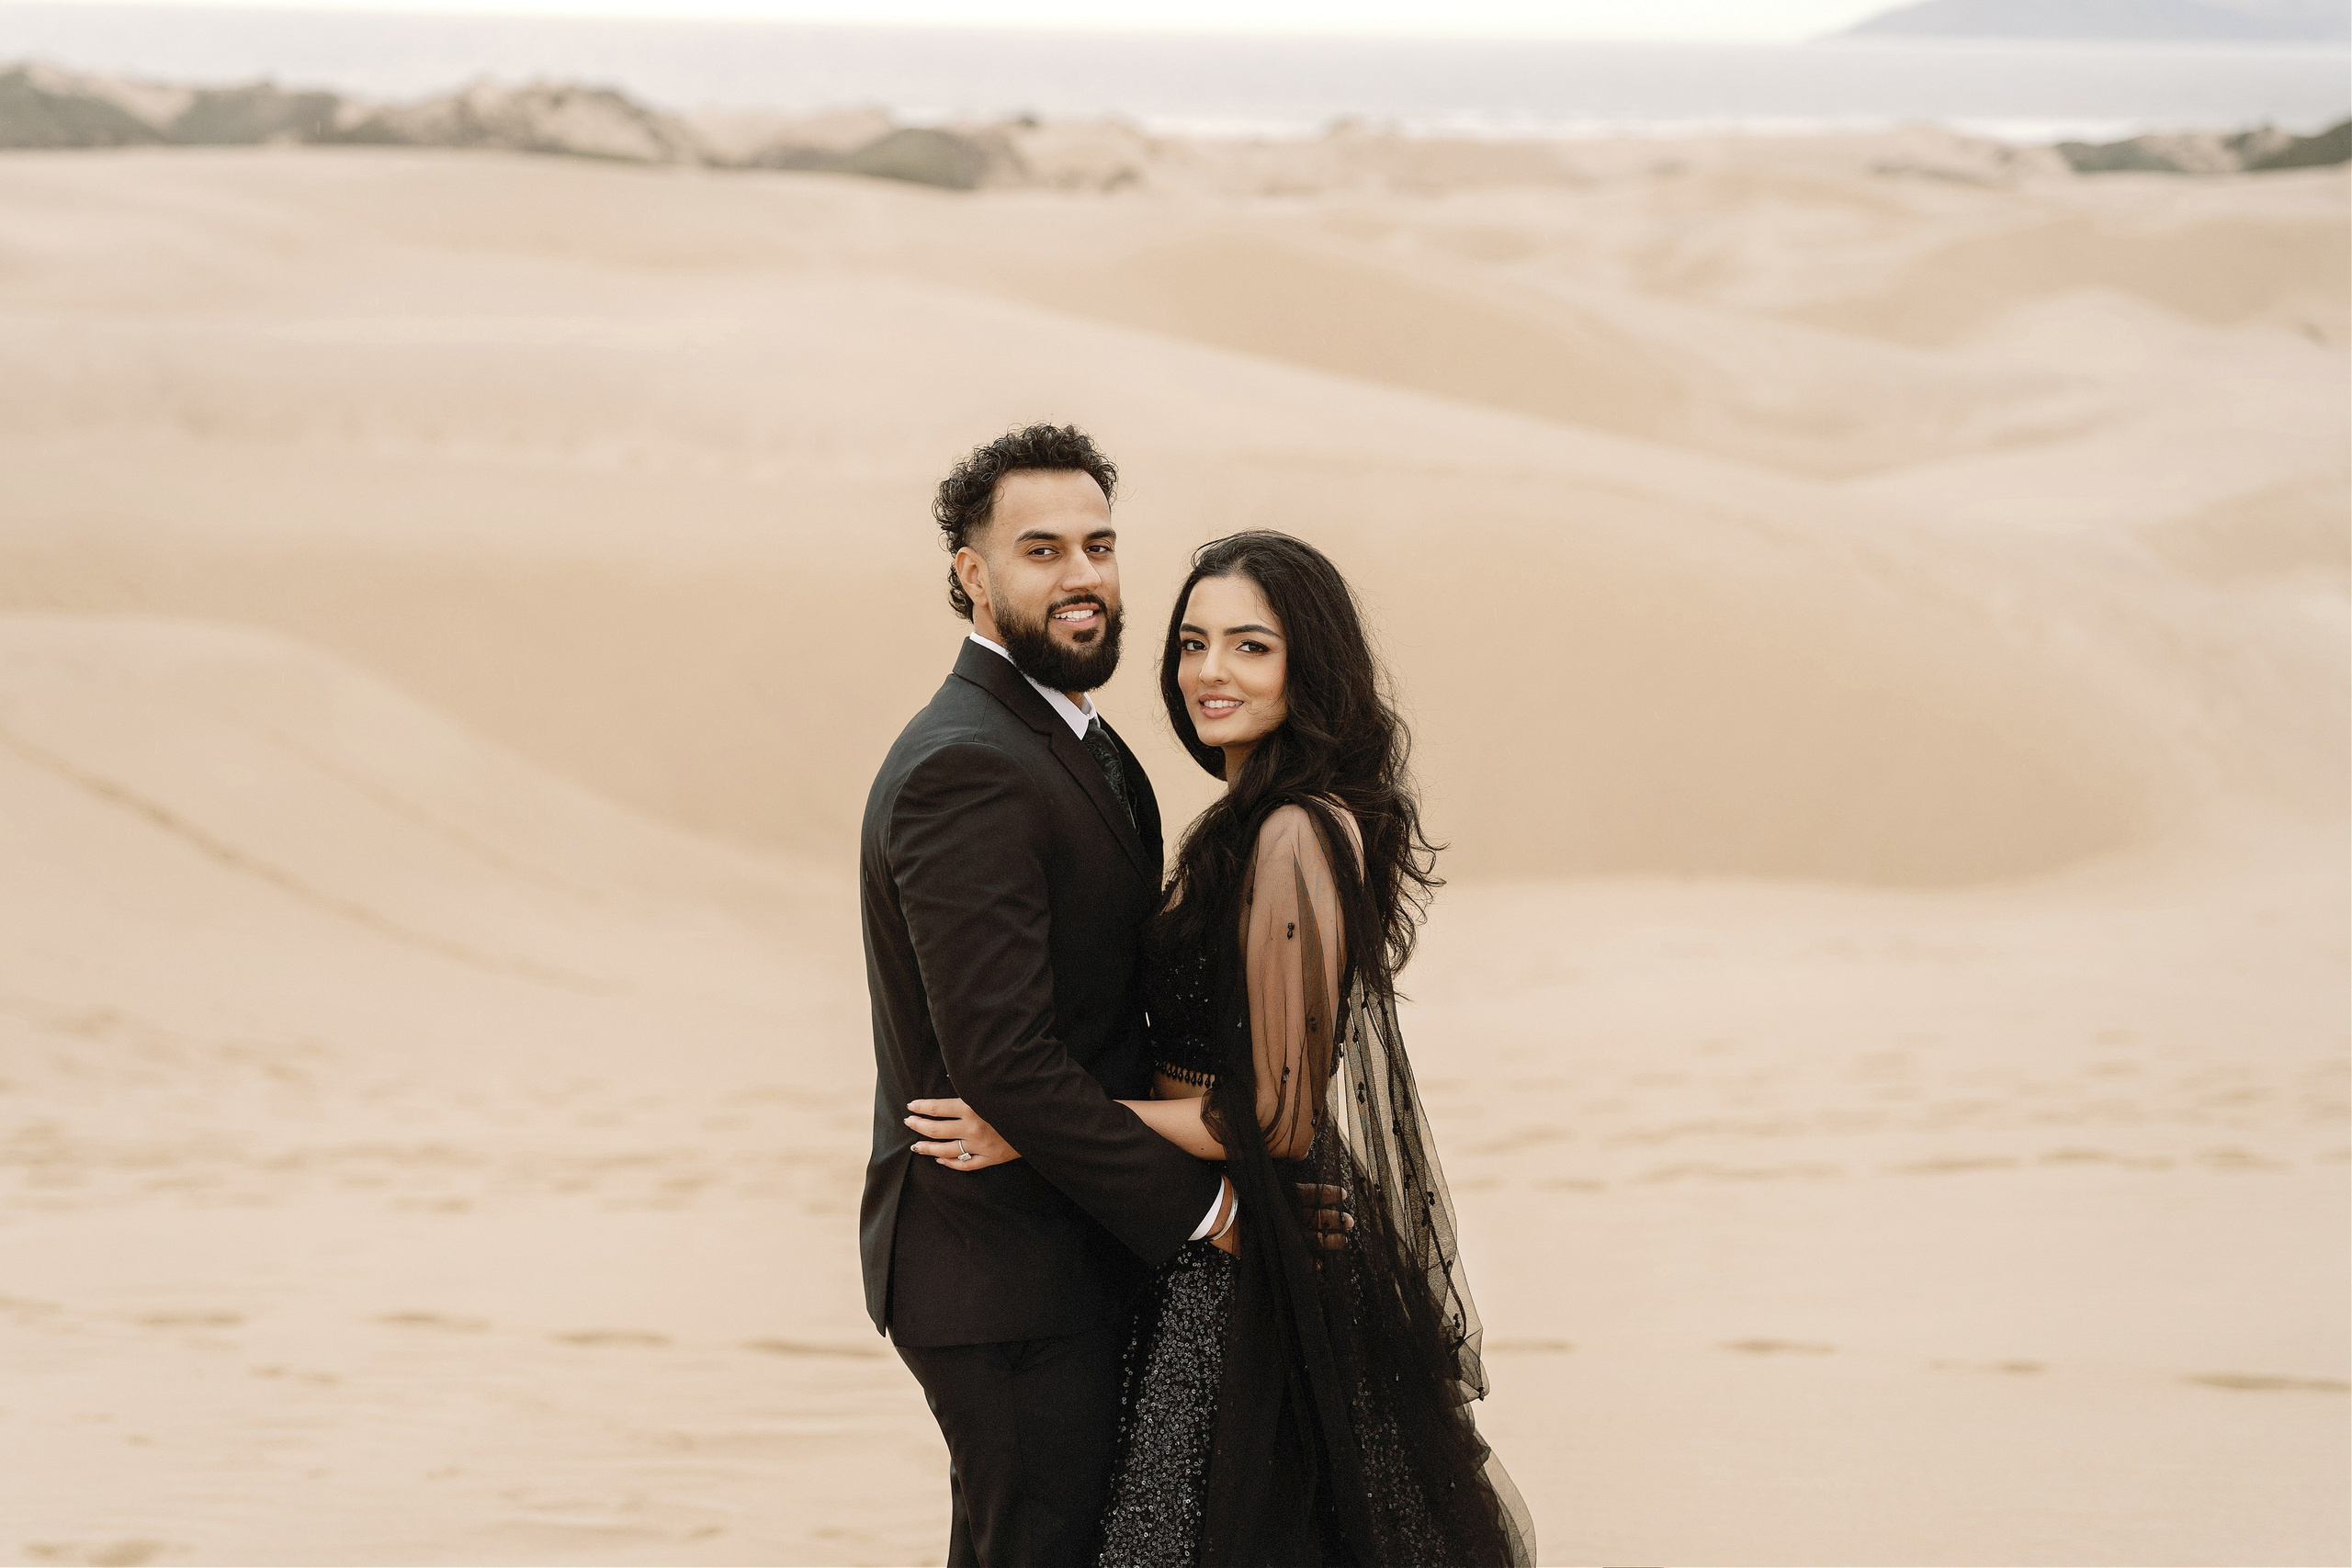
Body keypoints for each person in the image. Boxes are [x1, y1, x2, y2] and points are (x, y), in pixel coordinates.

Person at [911, 531, 1535, 1565]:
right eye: (1193, 643)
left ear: (1308, 664)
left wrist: (1034, 1126)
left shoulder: (1293, 832)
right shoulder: (1245, 821)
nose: (1210, 672)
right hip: (1210, 1239)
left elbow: (1272, 1114)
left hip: (1253, 1259)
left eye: (1251, 647)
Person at [860, 424, 1243, 1567]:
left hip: (1060, 1250)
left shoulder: (1081, 740)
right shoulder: (967, 766)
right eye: (1041, 550)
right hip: (1003, 1280)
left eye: (1099, 545)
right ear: (973, 575)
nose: (1081, 576)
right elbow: (1007, 1062)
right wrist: (1210, 1211)